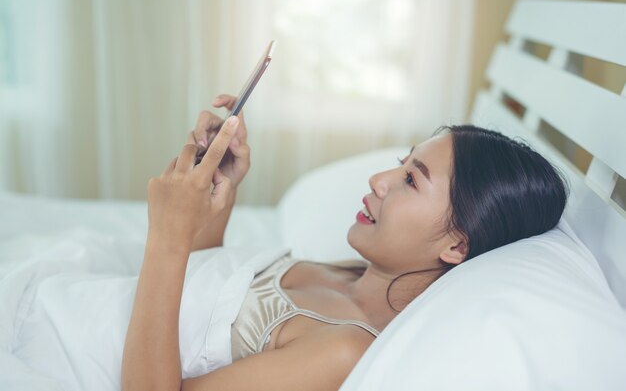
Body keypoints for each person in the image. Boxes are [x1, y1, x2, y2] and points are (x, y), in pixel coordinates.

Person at [121, 94, 568, 391]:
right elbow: (205, 307)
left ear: (456, 245)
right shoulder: (350, 272)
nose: (378, 180)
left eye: (411, 180)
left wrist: (167, 235)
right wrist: (222, 189)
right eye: (401, 163)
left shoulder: (343, 350)